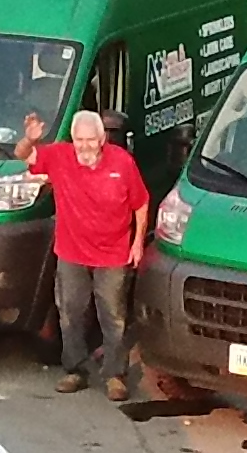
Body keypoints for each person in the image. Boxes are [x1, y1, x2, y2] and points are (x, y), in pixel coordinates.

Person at [13, 106, 152, 399]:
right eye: (80, 140)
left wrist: (138, 242)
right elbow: (24, 155)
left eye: (91, 140)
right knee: (71, 314)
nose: (85, 146)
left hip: (114, 254)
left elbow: (141, 202)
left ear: (102, 140)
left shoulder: (122, 162)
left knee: (113, 316)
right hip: (72, 252)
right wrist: (30, 140)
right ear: (72, 139)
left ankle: (115, 375)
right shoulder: (60, 156)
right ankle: (75, 370)